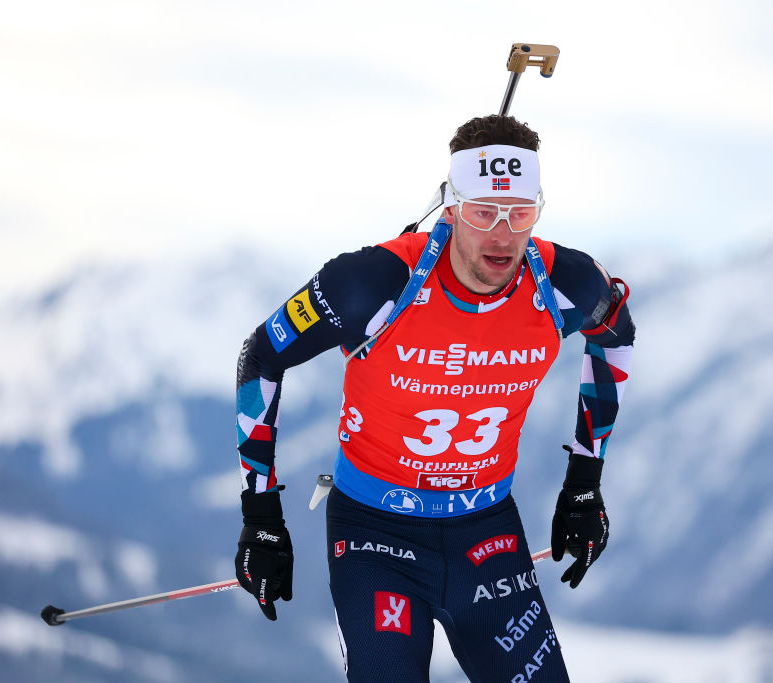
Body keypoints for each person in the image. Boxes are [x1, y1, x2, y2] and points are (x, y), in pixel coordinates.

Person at [233, 115, 635, 682]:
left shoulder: (564, 284)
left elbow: (616, 339)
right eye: (483, 212)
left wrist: (584, 482)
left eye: (521, 212)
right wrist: (261, 514)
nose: (502, 235)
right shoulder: (373, 283)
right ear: (450, 208)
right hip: (376, 532)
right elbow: (262, 356)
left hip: (485, 525)